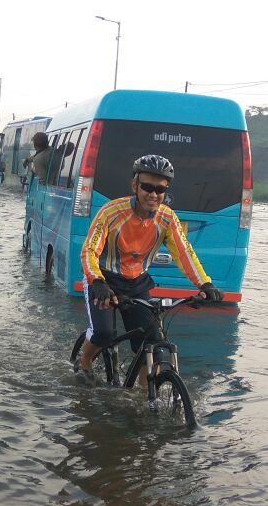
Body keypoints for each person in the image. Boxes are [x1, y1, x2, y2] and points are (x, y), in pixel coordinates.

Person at [74, 154, 223, 381]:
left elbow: (185, 253)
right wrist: (97, 281)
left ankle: (143, 395)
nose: (153, 195)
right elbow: (89, 251)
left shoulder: (167, 218)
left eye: (160, 190)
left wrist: (205, 283)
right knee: (104, 334)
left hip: (138, 282)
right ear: (134, 185)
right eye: (147, 187)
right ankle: (84, 364)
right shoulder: (110, 213)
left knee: (150, 343)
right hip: (105, 280)